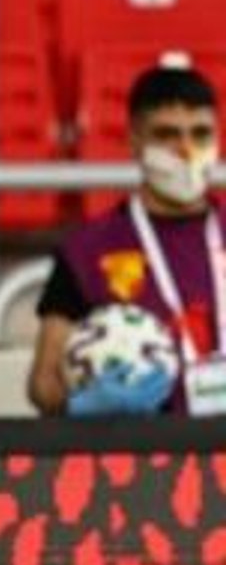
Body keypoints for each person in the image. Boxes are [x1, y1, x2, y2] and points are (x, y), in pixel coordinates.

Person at [28, 66, 220, 417]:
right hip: (143, 448)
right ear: (134, 140)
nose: (186, 150)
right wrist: (83, 406)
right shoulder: (87, 249)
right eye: (167, 134)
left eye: (200, 134)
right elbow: (44, 383)